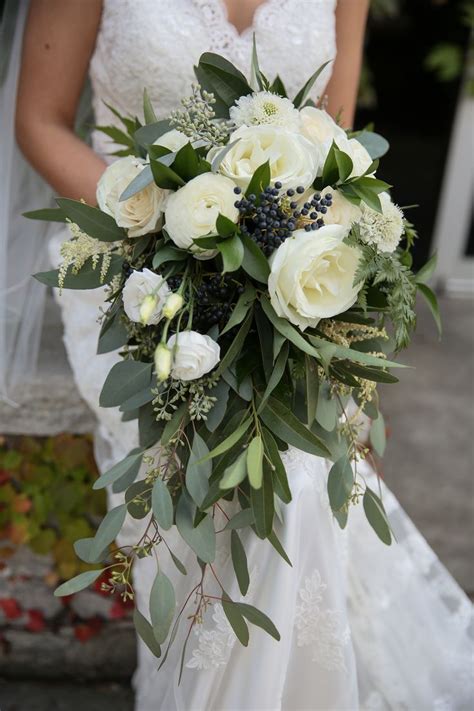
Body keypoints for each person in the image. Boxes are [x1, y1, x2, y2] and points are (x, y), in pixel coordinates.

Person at [12, 1, 473, 709]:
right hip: (131, 262)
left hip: (284, 265)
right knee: (219, 472)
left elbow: (335, 135)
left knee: (301, 466)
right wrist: (165, 232)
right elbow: (39, 121)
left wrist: (329, 310)